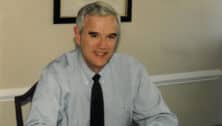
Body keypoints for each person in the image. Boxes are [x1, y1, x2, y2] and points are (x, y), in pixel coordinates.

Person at [26, 1, 178, 126]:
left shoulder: (132, 71)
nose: (103, 45)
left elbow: (163, 118)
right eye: (94, 35)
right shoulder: (55, 74)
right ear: (78, 36)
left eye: (111, 36)